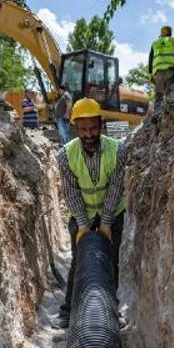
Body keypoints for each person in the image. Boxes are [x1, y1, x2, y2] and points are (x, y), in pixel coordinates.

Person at [53, 98, 127, 329]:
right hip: (81, 211)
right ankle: (68, 310)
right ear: (75, 128)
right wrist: (84, 226)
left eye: (93, 128)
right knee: (79, 261)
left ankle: (111, 309)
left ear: (101, 124)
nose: (88, 134)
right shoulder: (65, 155)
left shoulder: (118, 150)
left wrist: (105, 223)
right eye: (83, 129)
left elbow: (116, 187)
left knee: (110, 261)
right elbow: (72, 193)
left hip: (112, 210)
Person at [148, 25, 174, 110]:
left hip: (159, 73)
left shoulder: (155, 43)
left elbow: (150, 58)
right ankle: (169, 112)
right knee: (169, 93)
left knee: (159, 95)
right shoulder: (173, 41)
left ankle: (157, 114)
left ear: (161, 33)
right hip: (171, 71)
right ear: (170, 33)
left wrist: (150, 73)